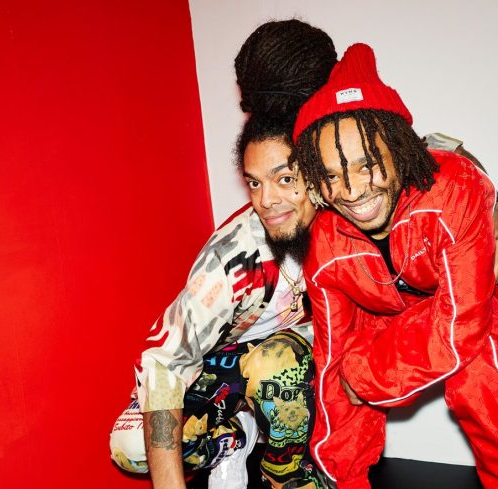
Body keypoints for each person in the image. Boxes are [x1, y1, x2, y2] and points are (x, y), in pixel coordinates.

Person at [292, 43, 498, 489]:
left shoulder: (455, 188)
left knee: (484, 380)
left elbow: (462, 326)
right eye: (332, 175)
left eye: (367, 166)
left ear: (399, 149)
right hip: (388, 313)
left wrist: (365, 375)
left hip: (466, 301)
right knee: (340, 383)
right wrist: (338, 473)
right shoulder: (325, 243)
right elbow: (332, 361)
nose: (352, 191)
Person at [109, 19, 336, 489]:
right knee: (130, 447)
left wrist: (489, 209)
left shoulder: (350, 203)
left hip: (302, 355)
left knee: (277, 365)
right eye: (254, 182)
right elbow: (164, 363)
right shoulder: (236, 257)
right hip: (228, 363)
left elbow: (423, 158)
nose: (267, 200)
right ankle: (238, 437)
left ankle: (288, 474)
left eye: (286, 179)